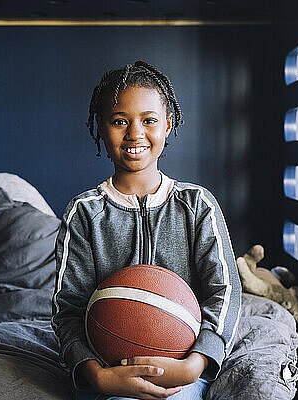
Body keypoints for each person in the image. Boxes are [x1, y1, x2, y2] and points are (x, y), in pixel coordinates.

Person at [51, 60, 241, 400]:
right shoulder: (84, 213)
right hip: (107, 371)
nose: (135, 133)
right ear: (100, 127)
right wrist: (97, 376)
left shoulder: (196, 204)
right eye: (119, 121)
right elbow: (68, 310)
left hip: (183, 369)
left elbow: (225, 290)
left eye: (148, 120)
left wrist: (195, 364)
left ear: (168, 126)